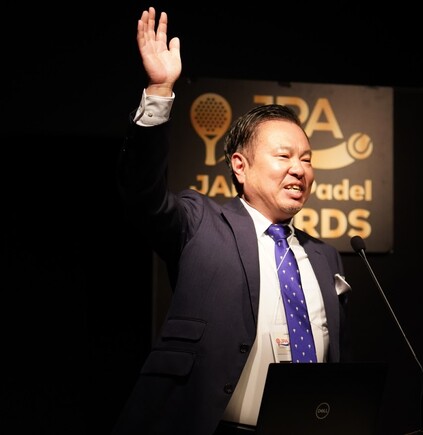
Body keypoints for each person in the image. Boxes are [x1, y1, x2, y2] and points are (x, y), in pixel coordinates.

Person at [112, 7, 351, 435]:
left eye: (307, 159)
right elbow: (142, 193)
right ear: (240, 166)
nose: (299, 169)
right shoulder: (200, 222)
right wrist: (160, 90)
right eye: (284, 156)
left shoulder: (325, 257)